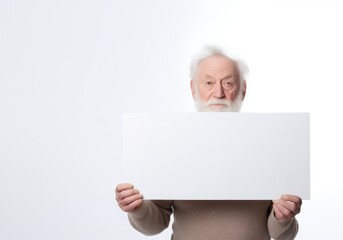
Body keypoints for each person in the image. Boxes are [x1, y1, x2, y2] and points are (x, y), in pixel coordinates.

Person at [115, 46, 302, 240]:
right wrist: (137, 209)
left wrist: (283, 217)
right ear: (193, 89)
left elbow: (281, 234)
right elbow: (155, 225)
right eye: (208, 83)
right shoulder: (172, 143)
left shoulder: (270, 144)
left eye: (228, 83)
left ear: (243, 89)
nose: (218, 93)